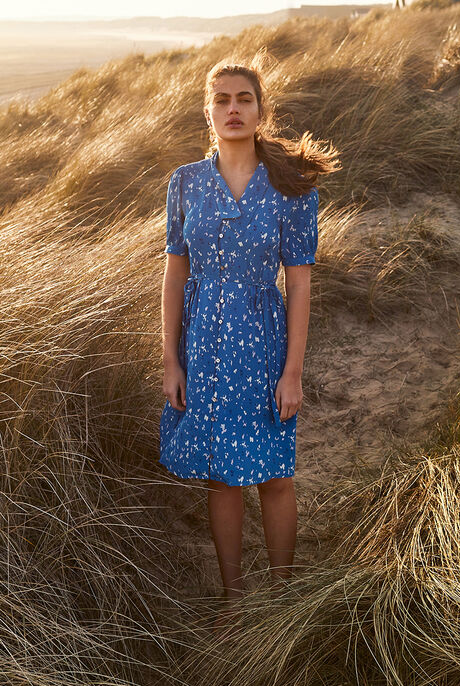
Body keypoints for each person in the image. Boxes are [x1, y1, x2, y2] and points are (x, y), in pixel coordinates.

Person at [159, 63, 338, 635]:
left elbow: (300, 282)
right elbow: (174, 277)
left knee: (276, 476)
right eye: (221, 100)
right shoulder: (185, 183)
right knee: (222, 477)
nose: (233, 109)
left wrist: (293, 370)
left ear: (261, 111)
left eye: (244, 99)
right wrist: (170, 360)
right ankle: (235, 603)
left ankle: (282, 601)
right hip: (205, 345)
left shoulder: (289, 186)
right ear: (207, 112)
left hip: (263, 344)